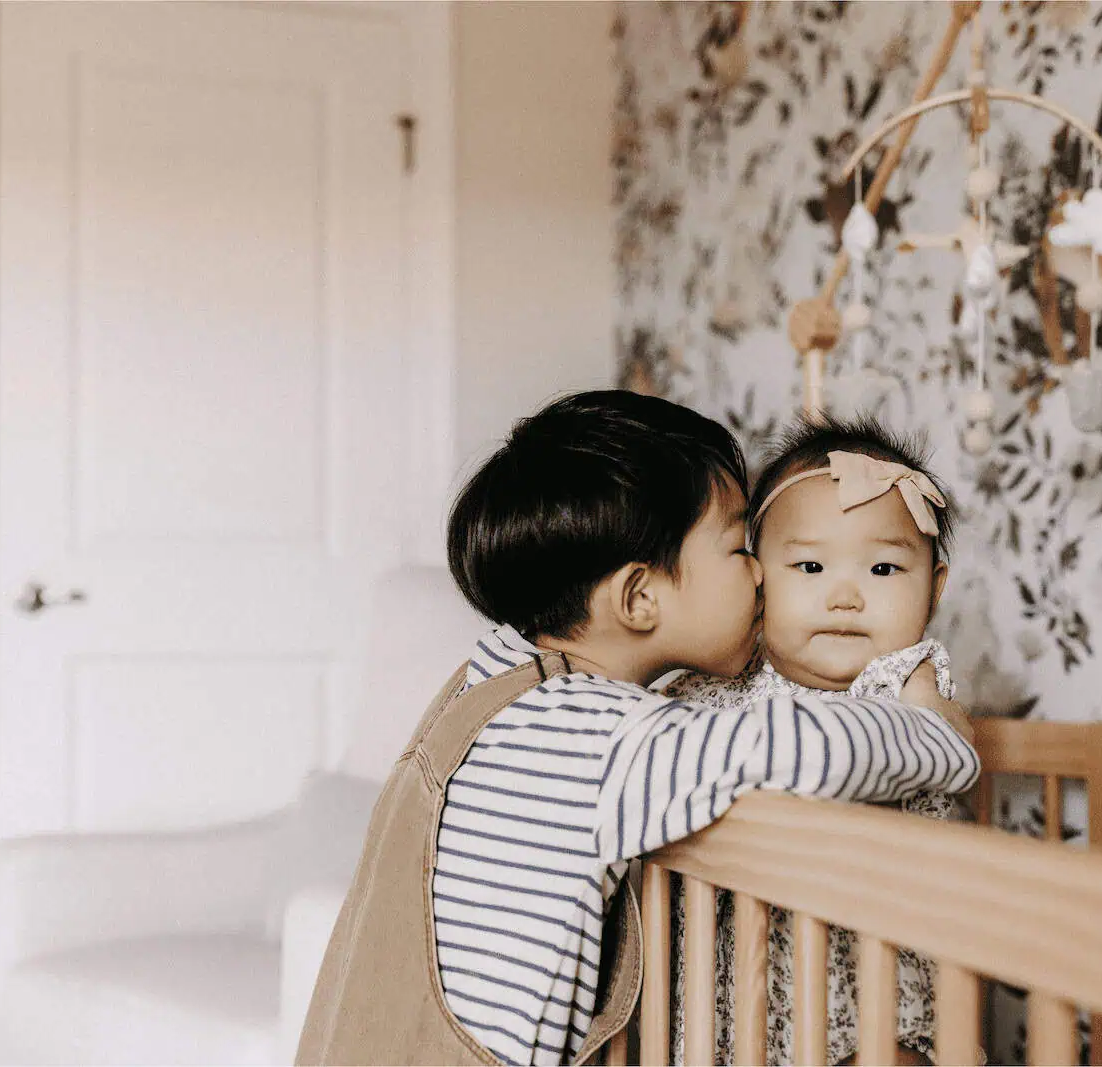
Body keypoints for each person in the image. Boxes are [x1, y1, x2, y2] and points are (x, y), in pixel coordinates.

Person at [296, 391, 979, 1067]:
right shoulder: (610, 741)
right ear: (641, 597)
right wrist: (934, 730)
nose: (761, 578)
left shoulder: (486, 692)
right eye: (739, 548)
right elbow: (816, 747)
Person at [668, 413, 970, 1064]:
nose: (845, 596)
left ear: (935, 589)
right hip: (737, 997)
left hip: (875, 994)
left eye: (884, 569)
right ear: (756, 577)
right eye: (809, 564)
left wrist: (929, 710)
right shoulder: (716, 683)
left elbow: (945, 743)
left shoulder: (906, 686)